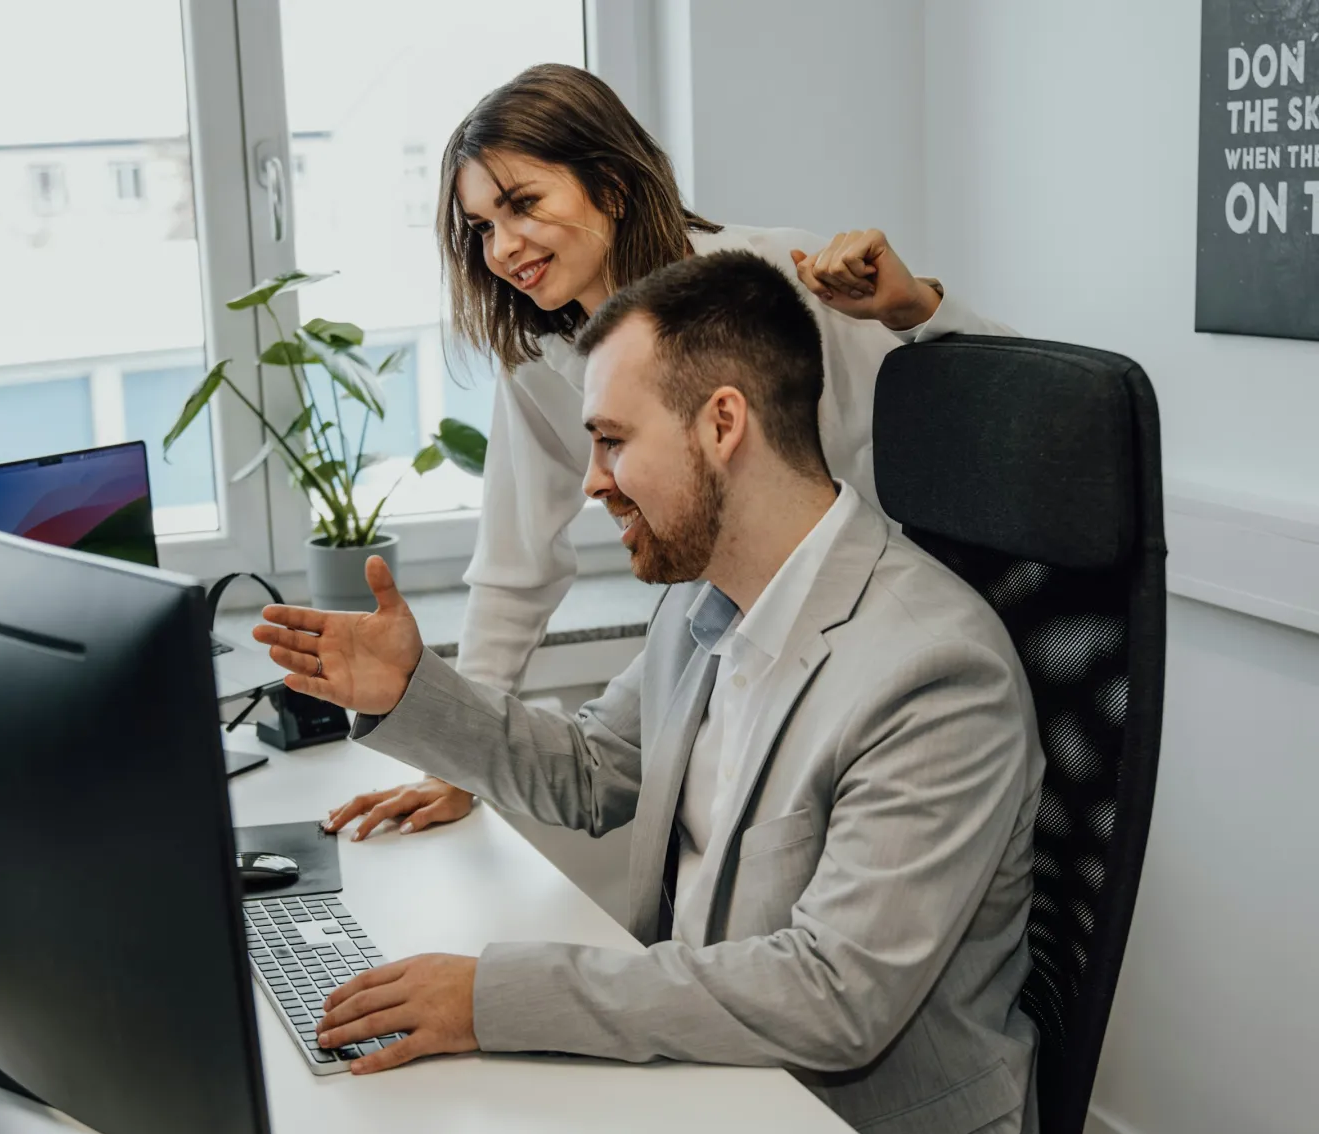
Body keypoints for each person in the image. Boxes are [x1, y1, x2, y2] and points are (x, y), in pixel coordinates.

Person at [253, 251, 1044, 1134]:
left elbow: (834, 998)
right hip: (706, 1082)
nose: (592, 481)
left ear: (722, 424)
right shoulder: (706, 600)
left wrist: (490, 997)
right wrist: (408, 692)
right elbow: (593, 770)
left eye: (613, 440)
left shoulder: (931, 672)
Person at [326, 63, 1017, 840]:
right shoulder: (540, 355)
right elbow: (517, 563)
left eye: (523, 204)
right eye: (483, 225)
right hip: (728, 621)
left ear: (612, 188)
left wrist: (908, 307)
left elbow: (1006, 421)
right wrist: (453, 765)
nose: (503, 246)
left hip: (871, 636)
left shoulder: (772, 282)